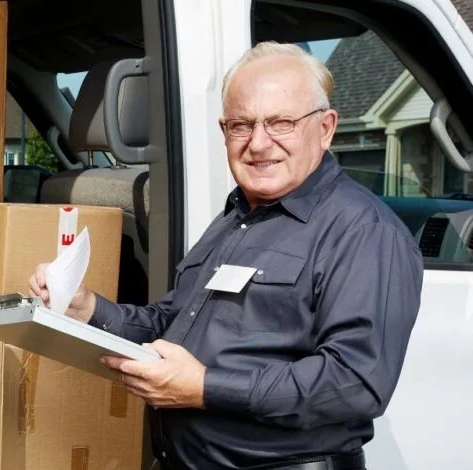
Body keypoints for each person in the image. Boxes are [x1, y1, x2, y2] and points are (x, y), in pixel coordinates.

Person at [29, 41, 423, 470]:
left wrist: (203, 387)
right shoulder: (236, 217)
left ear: (325, 128)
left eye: (281, 122)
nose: (258, 143)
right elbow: (171, 323)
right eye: (241, 125)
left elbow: (354, 383)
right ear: (224, 131)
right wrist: (88, 308)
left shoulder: (364, 231)